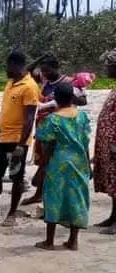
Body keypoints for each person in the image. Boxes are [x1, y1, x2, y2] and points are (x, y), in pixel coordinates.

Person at [33, 81, 91, 251]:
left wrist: (41, 168)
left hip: (58, 163)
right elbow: (85, 143)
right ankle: (73, 241)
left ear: (56, 98)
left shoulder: (53, 120)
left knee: (53, 198)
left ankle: (49, 241)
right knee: (77, 198)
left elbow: (48, 146)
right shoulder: (82, 117)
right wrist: (89, 165)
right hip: (79, 162)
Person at [23, 55, 87, 206]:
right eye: (43, 71)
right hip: (44, 126)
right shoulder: (45, 80)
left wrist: (65, 98)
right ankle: (39, 195)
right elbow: (27, 71)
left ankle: (48, 197)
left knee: (51, 161)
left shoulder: (68, 82)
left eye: (47, 70)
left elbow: (84, 100)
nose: (44, 73)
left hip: (62, 127)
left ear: (56, 67)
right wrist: (40, 59)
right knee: (42, 161)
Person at [0, 50, 40, 225]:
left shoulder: (29, 87)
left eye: (7, 66)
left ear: (14, 65)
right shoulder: (10, 82)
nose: (5, 70)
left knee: (16, 176)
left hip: (17, 140)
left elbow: (30, 117)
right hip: (1, 138)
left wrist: (21, 145)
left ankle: (12, 213)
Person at [93, 49, 116, 232]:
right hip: (108, 144)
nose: (106, 69)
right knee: (111, 181)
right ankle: (113, 217)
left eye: (108, 65)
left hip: (114, 144)